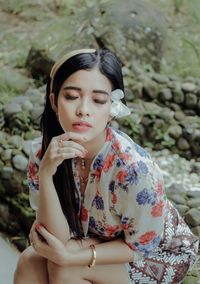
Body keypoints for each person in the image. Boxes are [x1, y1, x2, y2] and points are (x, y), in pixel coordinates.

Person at [14, 48, 199, 284]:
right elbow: (56, 240)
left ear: (112, 108)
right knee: (29, 260)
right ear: (53, 101)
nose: (83, 110)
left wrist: (72, 259)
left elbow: (140, 246)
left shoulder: (133, 169)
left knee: (65, 270)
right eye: (71, 96)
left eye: (99, 100)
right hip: (101, 239)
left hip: (154, 254)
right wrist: (47, 174)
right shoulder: (44, 155)